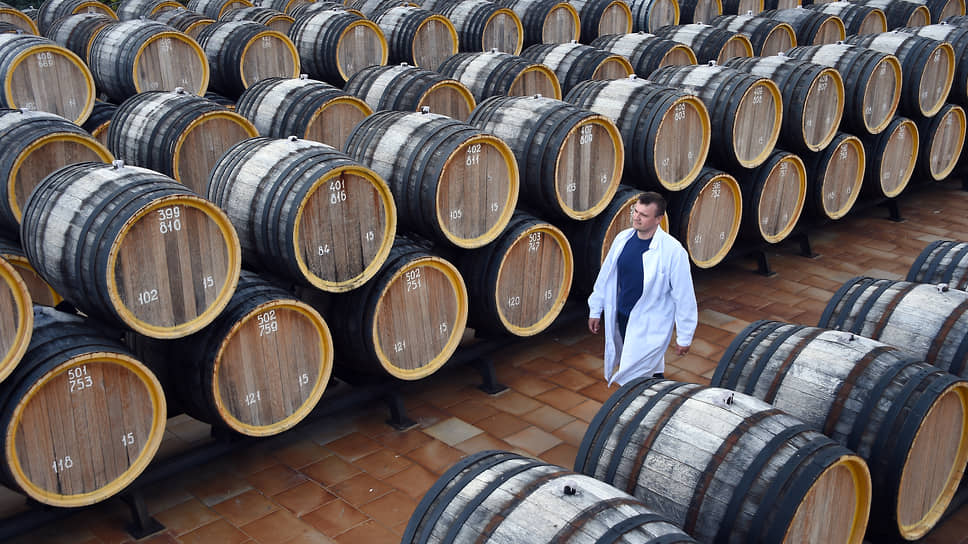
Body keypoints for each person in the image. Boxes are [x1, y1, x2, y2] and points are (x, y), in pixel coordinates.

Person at [587, 191, 698, 386]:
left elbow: (684, 297)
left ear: (658, 219)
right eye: (636, 211)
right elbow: (605, 277)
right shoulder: (622, 239)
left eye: (644, 215)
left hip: (651, 324)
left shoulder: (673, 252)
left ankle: (633, 401)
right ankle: (658, 395)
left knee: (631, 376)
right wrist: (596, 309)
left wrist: (685, 336)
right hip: (622, 316)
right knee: (646, 370)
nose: (636, 217)